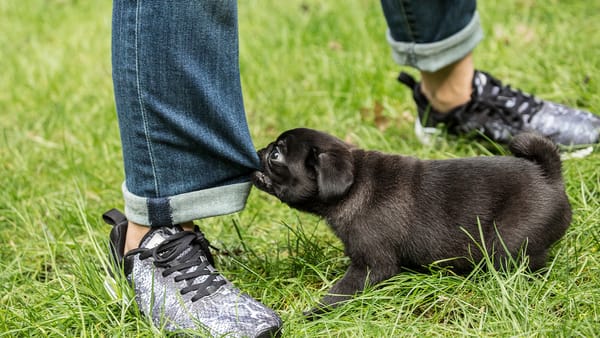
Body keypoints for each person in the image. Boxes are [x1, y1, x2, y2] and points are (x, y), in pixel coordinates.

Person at [103, 0, 600, 337]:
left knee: (501, 250)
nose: (264, 161)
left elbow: (373, 269)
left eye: (276, 159)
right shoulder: (368, 191)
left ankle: (452, 89)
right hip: (520, 188)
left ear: (329, 175)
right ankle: (160, 226)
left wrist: (319, 312)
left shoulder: (363, 215)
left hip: (525, 206)